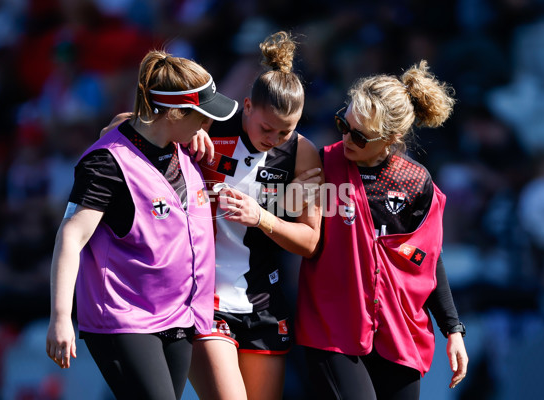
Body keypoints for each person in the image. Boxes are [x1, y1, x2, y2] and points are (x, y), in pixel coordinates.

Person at [45, 49, 238, 400]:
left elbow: (138, 122)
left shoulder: (180, 143)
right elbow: (71, 236)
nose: (209, 125)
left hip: (181, 316)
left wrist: (188, 131)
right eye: (203, 117)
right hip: (125, 318)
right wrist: (60, 316)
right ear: (175, 113)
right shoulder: (105, 164)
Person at [294, 60, 468, 399]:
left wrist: (453, 330)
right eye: (343, 124)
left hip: (400, 334)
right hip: (332, 330)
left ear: (393, 138)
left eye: (359, 135)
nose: (347, 137)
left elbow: (429, 260)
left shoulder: (417, 183)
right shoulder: (320, 165)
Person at [187, 31, 323, 400]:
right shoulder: (211, 123)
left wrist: (261, 217)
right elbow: (136, 123)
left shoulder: (302, 153)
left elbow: (310, 242)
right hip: (204, 296)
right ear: (246, 106)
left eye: (286, 131)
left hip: (263, 302)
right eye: (267, 128)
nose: (275, 138)